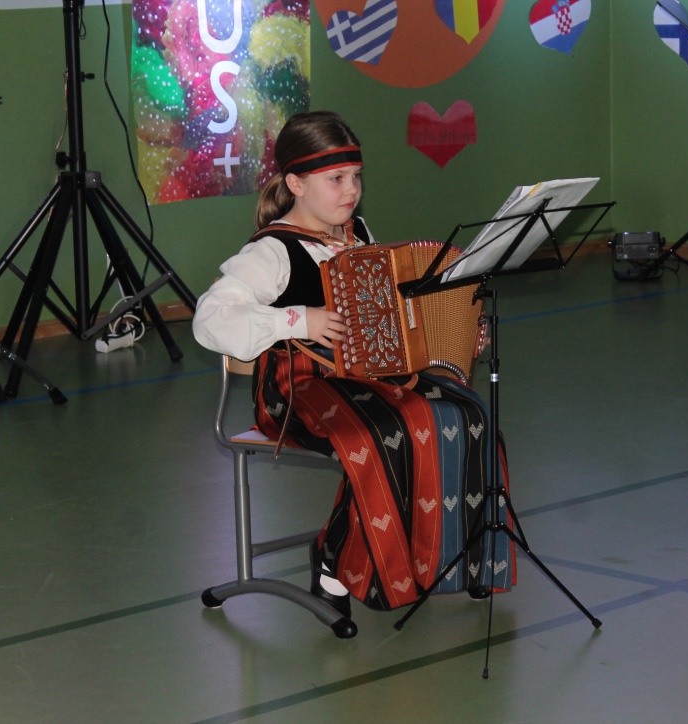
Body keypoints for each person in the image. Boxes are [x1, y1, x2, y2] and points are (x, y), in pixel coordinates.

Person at [193, 111, 513, 620]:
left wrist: (454, 329)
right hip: (298, 388)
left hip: (367, 374)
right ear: (295, 183)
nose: (352, 191)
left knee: (469, 414)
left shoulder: (355, 233)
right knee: (391, 430)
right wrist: (299, 319)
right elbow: (210, 319)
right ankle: (333, 559)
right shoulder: (273, 250)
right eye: (336, 179)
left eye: (356, 177)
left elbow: (385, 310)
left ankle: (459, 559)